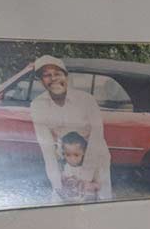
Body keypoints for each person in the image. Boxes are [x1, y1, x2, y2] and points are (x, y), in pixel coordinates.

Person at [29, 55, 113, 202]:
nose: (53, 78)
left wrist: (86, 177)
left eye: (57, 73)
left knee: (101, 200)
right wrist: (57, 182)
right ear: (41, 81)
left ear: (66, 76)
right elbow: (46, 148)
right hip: (67, 160)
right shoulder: (37, 105)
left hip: (96, 158)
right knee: (62, 199)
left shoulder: (86, 100)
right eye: (47, 75)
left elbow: (97, 138)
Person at [56, 132, 102, 203]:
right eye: (68, 155)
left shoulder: (88, 168)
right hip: (69, 201)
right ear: (63, 153)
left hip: (87, 202)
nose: (72, 159)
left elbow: (99, 186)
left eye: (76, 155)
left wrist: (89, 185)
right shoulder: (63, 167)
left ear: (83, 152)